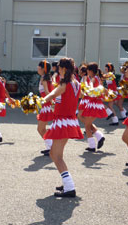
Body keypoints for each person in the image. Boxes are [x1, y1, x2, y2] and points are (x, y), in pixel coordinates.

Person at [43, 57, 83, 198]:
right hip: (67, 120)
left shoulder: (65, 83)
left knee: (56, 155)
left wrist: (38, 101)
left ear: (64, 69)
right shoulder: (76, 83)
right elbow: (66, 98)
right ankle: (67, 184)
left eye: (59, 67)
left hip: (63, 122)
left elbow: (53, 94)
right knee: (55, 154)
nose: (57, 69)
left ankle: (70, 187)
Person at [80, 62, 107, 152]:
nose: (87, 71)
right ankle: (99, 137)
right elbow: (102, 89)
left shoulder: (93, 79)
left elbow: (91, 85)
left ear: (90, 71)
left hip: (93, 103)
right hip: (95, 103)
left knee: (87, 126)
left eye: (88, 70)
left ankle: (92, 145)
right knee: (87, 124)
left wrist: (88, 87)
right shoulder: (98, 79)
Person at [37, 60, 54, 156]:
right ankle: (50, 147)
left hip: (47, 105)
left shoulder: (44, 78)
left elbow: (47, 92)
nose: (37, 69)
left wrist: (51, 103)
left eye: (38, 67)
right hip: (46, 104)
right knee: (41, 128)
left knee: (40, 128)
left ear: (43, 69)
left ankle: (51, 147)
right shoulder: (46, 77)